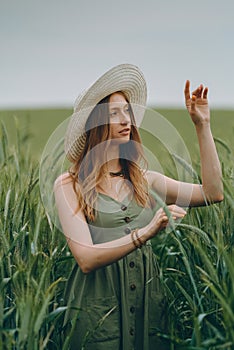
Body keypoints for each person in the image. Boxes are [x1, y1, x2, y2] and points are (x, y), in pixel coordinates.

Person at [54, 64, 223, 350]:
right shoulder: (69, 185)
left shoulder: (146, 181)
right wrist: (146, 231)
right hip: (97, 310)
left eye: (127, 111)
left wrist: (202, 126)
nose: (126, 119)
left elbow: (212, 193)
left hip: (147, 304)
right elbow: (85, 258)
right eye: (114, 113)